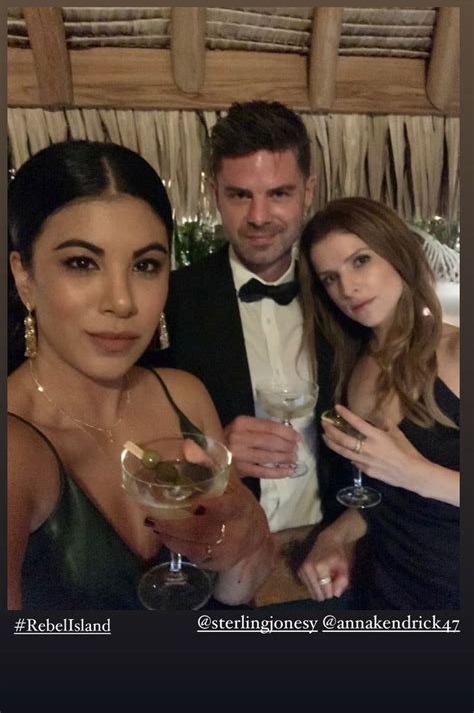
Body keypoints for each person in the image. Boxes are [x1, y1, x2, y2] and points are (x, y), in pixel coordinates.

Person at [7, 140, 274, 611]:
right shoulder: (16, 447)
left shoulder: (185, 398)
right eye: (82, 263)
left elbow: (236, 594)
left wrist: (248, 536)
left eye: (146, 265)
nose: (124, 301)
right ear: (24, 276)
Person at [160, 101, 344, 533]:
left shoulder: (342, 294)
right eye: (240, 195)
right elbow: (131, 441)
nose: (259, 217)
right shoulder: (174, 300)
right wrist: (215, 458)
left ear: (309, 191)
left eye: (279, 193)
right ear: (214, 193)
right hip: (223, 552)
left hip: (330, 553)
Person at [297, 197, 459, 609]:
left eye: (360, 261)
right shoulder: (357, 371)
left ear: (397, 253)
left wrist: (416, 472)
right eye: (330, 278)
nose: (348, 288)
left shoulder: (457, 349)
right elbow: (384, 497)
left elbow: (407, 479)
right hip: (387, 590)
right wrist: (335, 535)